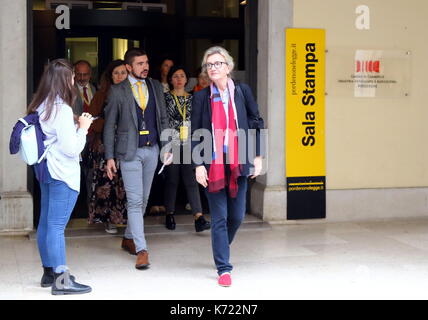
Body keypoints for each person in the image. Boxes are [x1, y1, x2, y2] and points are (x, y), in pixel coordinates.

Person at [191, 46, 264, 287]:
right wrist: (198, 164)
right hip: (213, 164)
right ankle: (224, 267)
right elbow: (196, 133)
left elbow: (256, 121)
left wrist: (258, 155)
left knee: (237, 216)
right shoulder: (201, 96)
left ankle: (221, 244)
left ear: (228, 67)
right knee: (220, 218)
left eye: (218, 64)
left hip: (238, 160)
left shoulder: (242, 92)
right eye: (209, 64)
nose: (213, 68)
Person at [29, 59, 93, 295]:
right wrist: (84, 127)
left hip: (46, 170)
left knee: (46, 223)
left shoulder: (42, 104)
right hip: (61, 173)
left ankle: (50, 273)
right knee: (56, 226)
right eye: (73, 77)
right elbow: (71, 149)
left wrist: (73, 124)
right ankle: (62, 280)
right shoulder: (63, 109)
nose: (75, 80)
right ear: (66, 80)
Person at [104, 48, 171, 270]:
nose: (145, 66)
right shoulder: (117, 91)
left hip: (152, 150)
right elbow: (109, 125)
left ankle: (128, 237)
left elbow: (162, 118)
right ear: (129, 67)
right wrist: (110, 156)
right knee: (134, 201)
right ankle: (142, 250)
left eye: (147, 62)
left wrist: (168, 146)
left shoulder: (154, 86)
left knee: (143, 199)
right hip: (129, 153)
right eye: (140, 63)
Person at [163, 65, 211, 232]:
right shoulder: (165, 98)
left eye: (182, 76)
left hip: (190, 142)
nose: (179, 79)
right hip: (171, 142)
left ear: (187, 79)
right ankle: (169, 213)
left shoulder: (194, 98)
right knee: (172, 179)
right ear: (170, 79)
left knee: (191, 179)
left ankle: (199, 217)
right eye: (175, 76)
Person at [87, 60, 128, 234]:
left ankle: (124, 218)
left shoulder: (133, 93)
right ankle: (107, 220)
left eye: (123, 73)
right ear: (110, 76)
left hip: (126, 144)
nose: (120, 76)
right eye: (116, 73)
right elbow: (91, 121)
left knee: (124, 183)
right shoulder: (101, 94)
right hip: (104, 145)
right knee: (107, 184)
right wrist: (110, 123)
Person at [72, 60, 97, 210]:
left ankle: (90, 206)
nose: (82, 78)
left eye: (85, 74)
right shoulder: (69, 90)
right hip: (77, 136)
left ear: (90, 74)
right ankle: (77, 207)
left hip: (93, 137)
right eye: (79, 74)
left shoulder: (95, 89)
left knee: (91, 173)